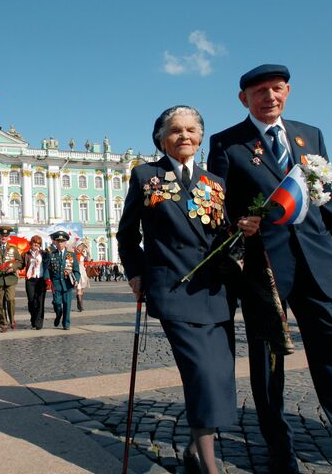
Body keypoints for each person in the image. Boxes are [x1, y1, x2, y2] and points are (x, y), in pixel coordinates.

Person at [208, 64, 332, 473]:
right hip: (264, 270)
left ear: (287, 91)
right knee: (269, 365)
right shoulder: (226, 143)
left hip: (318, 262)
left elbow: (326, 199)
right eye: (259, 91)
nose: (269, 97)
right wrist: (237, 221)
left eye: (276, 89)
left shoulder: (310, 135)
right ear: (244, 99)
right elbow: (217, 206)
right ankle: (280, 452)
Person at [118, 105, 259, 474]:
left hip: (215, 292)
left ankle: (196, 450)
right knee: (202, 374)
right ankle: (210, 467)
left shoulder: (215, 183)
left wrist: (241, 229)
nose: (184, 136)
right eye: (176, 130)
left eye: (191, 130)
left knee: (221, 374)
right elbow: (127, 234)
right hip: (174, 291)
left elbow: (222, 235)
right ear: (162, 137)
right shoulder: (145, 176)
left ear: (200, 137)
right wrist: (135, 273)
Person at [0, 225, 24, 332]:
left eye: (6, 235)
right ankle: (3, 324)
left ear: (8, 236)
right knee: (0, 303)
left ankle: (12, 320)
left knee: (10, 299)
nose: (4, 237)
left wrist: (13, 268)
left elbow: (20, 262)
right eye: (2, 235)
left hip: (10, 278)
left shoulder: (13, 248)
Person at [43, 231, 80, 330]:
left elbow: (76, 270)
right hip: (56, 283)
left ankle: (66, 323)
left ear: (65, 243)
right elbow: (47, 268)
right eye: (58, 241)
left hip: (67, 283)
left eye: (62, 241)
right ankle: (58, 315)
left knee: (67, 304)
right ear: (55, 242)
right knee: (57, 303)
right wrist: (47, 279)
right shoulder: (52, 254)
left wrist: (76, 280)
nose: (60, 243)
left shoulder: (71, 255)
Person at [22, 235, 47, 329]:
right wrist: (13, 267)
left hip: (41, 280)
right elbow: (20, 264)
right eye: (34, 243)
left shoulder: (44, 254)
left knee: (40, 302)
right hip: (30, 280)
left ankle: (39, 322)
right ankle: (33, 317)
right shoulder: (26, 254)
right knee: (32, 301)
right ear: (31, 244)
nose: (36, 245)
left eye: (38, 243)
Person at [74, 242, 90, 311]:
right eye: (78, 248)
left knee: (81, 289)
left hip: (82, 272)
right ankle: (80, 304)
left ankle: (80, 304)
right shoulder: (74, 255)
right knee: (79, 289)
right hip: (78, 272)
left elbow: (89, 259)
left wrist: (88, 252)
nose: (79, 250)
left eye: (80, 249)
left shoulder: (82, 255)